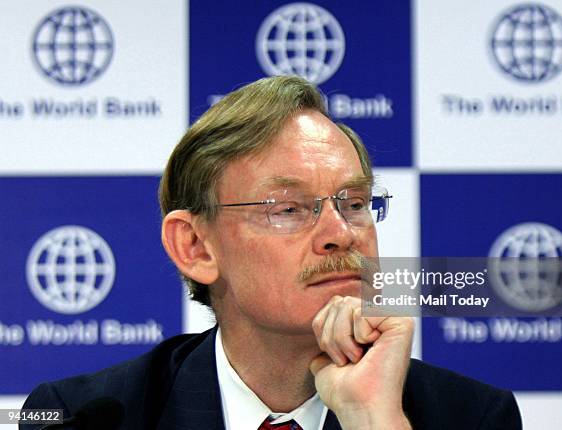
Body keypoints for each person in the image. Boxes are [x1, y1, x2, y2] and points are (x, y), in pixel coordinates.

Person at [22, 76, 521, 429]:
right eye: (287, 209)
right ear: (194, 246)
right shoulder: (79, 416)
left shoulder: (468, 415)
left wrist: (374, 421)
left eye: (354, 203)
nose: (341, 233)